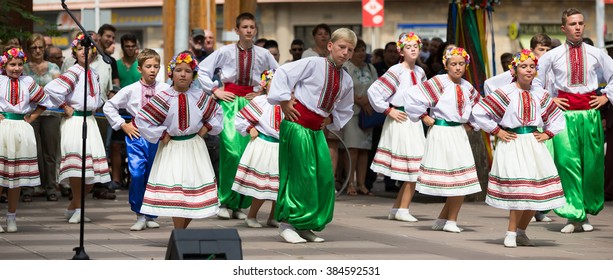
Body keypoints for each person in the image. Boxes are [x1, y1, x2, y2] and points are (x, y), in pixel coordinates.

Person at [267, 27, 356, 244]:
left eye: (350, 49)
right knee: (301, 175)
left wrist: (330, 120)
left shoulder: (346, 79)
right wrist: (284, 100)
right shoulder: (314, 63)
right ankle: (288, 223)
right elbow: (284, 72)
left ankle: (306, 223)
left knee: (323, 178)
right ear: (330, 46)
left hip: (316, 131)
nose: (345, 52)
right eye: (341, 47)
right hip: (297, 126)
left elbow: (345, 108)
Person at [472, 49, 567, 247]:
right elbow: (480, 111)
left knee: (536, 193)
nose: (529, 70)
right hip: (513, 141)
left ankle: (521, 232)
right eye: (524, 67)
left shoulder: (540, 94)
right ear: (514, 70)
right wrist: (497, 130)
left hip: (533, 143)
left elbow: (557, 117)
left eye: (532, 67)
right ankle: (511, 232)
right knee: (521, 190)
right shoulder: (506, 92)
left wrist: (547, 133)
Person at [534, 8, 613, 233]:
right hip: (564, 116)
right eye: (572, 24)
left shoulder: (596, 53)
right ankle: (572, 215)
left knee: (591, 164)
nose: (577, 27)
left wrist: (606, 96)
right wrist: (550, 99)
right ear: (563, 28)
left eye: (580, 23)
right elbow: (536, 82)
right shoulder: (552, 55)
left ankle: (584, 212)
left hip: (590, 114)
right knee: (568, 164)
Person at [197, 12, 279, 221]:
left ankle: (241, 205)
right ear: (237, 30)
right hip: (230, 104)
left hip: (253, 105)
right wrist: (215, 91)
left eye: (252, 27)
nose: (249, 30)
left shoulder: (263, 54)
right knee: (231, 152)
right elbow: (202, 70)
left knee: (247, 155)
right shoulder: (224, 52)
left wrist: (261, 90)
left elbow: (278, 74)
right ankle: (225, 200)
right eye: (245, 27)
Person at [136, 51, 223, 229]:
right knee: (177, 193)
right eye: (178, 70)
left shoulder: (199, 96)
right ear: (171, 73)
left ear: (194, 76)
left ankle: (181, 232)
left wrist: (206, 128)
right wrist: (162, 134)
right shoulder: (164, 97)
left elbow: (216, 113)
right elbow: (143, 119)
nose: (183, 74)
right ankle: (179, 232)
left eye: (188, 71)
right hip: (172, 148)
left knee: (193, 193)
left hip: (194, 148)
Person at [404, 46, 481, 233]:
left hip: (458, 134)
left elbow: (480, 107)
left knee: (461, 178)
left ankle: (443, 219)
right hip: (441, 132)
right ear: (446, 65)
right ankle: (451, 221)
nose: (457, 68)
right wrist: (424, 116)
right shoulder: (439, 82)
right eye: (453, 64)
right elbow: (412, 96)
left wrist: (472, 124)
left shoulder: (467, 86)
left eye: (461, 64)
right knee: (456, 178)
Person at [44, 33, 112, 223]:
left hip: (90, 120)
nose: (84, 52)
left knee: (92, 169)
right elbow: (51, 89)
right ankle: (79, 209)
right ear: (75, 52)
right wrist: (64, 106)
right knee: (78, 167)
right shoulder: (73, 72)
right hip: (75, 122)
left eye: (88, 48)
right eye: (80, 48)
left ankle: (74, 206)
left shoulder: (95, 73)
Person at [103, 48, 170, 231]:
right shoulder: (130, 90)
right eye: (148, 66)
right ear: (139, 69)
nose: (153, 70)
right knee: (138, 174)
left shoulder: (165, 89)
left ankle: (151, 213)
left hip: (157, 137)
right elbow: (109, 106)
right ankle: (139, 213)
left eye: (156, 66)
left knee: (153, 176)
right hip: (137, 136)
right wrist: (123, 124)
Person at [369, 33, 427, 221]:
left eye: (415, 46)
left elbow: (425, 95)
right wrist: (388, 110)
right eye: (408, 46)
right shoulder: (396, 70)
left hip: (414, 121)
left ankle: (397, 208)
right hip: (401, 119)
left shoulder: (420, 72)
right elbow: (374, 91)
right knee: (415, 166)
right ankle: (403, 209)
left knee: (414, 165)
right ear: (400, 51)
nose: (412, 49)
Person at [0, 48, 52, 232]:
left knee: (16, 177)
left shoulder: (28, 82)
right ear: (4, 64)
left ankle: (12, 217)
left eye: (20, 65)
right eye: (12, 64)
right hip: (3, 129)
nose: (16, 68)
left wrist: (32, 117)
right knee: (1, 176)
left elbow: (45, 100)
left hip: (21, 129)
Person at [232, 69, 282, 228]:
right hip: (264, 145)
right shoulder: (261, 101)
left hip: (280, 146)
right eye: (272, 81)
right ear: (265, 84)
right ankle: (251, 216)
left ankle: (273, 216)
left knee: (278, 186)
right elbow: (240, 118)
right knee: (262, 185)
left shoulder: (287, 103)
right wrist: (249, 128)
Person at [22, 33, 62, 202]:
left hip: (51, 113)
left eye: (40, 47)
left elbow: (58, 90)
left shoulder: (53, 67)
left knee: (50, 153)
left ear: (44, 48)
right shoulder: (23, 68)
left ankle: (51, 187)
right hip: (30, 114)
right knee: (31, 152)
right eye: (33, 48)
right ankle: (28, 188)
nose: (37, 51)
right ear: (28, 50)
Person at [342, 38, 377, 196]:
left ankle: (362, 184)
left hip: (367, 113)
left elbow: (377, 87)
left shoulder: (370, 68)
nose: (361, 53)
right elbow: (343, 88)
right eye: (358, 50)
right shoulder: (346, 67)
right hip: (351, 112)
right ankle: (350, 183)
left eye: (363, 50)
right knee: (353, 149)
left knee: (364, 150)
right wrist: (359, 100)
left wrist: (368, 101)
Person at [368, 41, 401, 193]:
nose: (393, 54)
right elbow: (373, 90)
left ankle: (391, 181)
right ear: (385, 53)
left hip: (398, 114)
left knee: (395, 148)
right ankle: (369, 180)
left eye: (396, 51)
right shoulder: (376, 67)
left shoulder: (405, 68)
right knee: (376, 147)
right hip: (380, 112)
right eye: (390, 51)